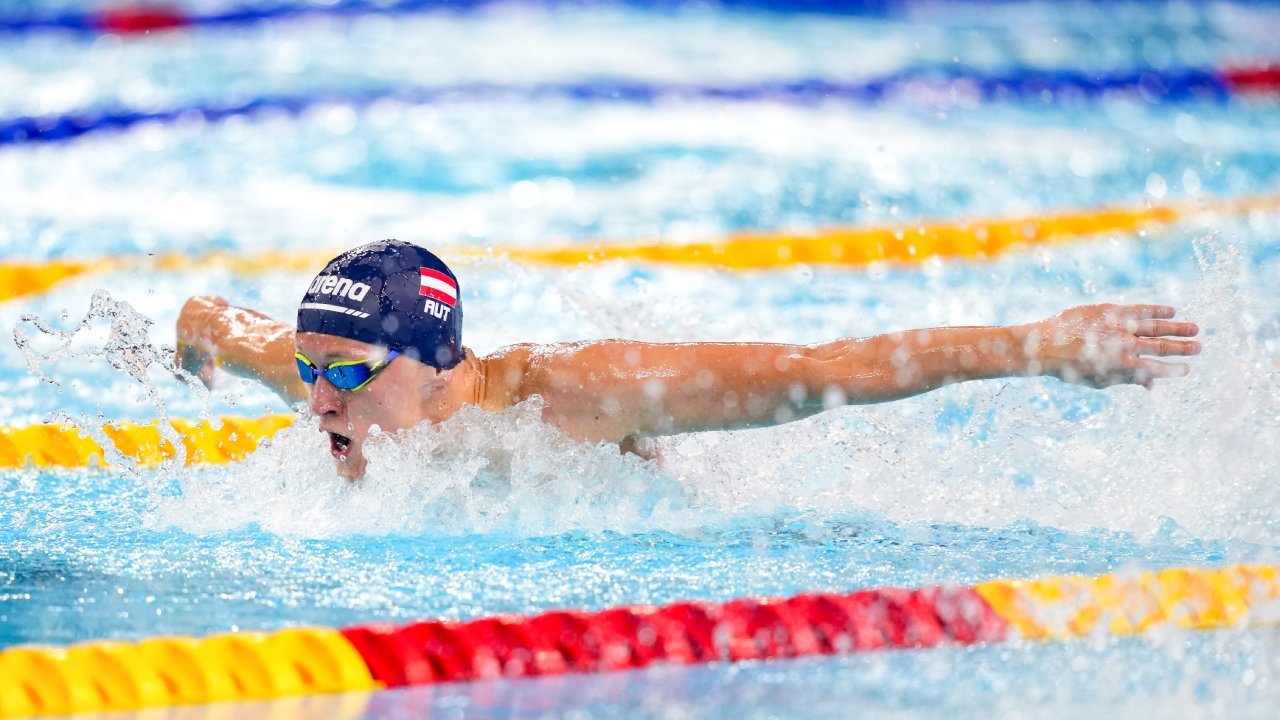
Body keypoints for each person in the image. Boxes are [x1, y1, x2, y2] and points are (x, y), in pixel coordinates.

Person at [175, 239, 1202, 480]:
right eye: (310, 365)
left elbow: (820, 366)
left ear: (443, 361)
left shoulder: (565, 396)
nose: (316, 397)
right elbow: (212, 317)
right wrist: (187, 358)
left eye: (348, 369)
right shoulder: (321, 381)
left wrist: (1033, 346)